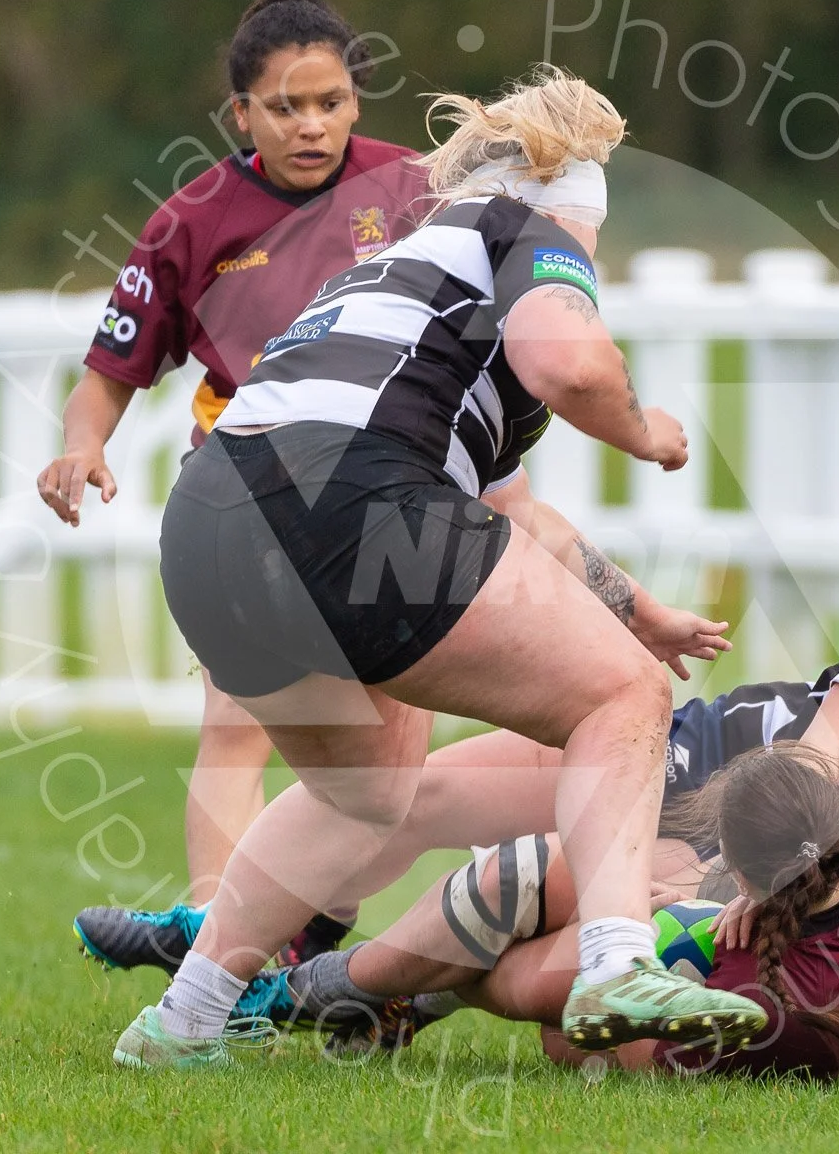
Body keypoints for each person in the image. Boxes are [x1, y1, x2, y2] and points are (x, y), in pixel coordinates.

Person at [111, 68, 767, 1071]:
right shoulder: (528, 231)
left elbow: (503, 514)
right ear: (574, 208)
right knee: (623, 698)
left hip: (206, 529)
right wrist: (646, 433)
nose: (590, 261)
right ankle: (617, 960)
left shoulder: (395, 274)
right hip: (350, 505)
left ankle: (185, 1019)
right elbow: (570, 363)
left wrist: (635, 608)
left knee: (368, 789)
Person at [80, 579, 839, 972]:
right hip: (703, 760)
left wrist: (716, 890)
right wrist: (725, 861)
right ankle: (228, 943)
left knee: (512, 911)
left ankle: (286, 974)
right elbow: (819, 765)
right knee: (406, 798)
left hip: (744, 859)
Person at [236, 603, 839, 1082]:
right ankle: (343, 983)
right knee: (568, 890)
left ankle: (312, 989)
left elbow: (529, 990)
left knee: (528, 914)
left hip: (673, 1023)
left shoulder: (739, 965)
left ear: (736, 873)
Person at [36, 0, 430, 952]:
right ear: (240, 114)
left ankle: (294, 936)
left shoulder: (416, 191)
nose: (311, 126)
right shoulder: (191, 222)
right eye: (286, 107)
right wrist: (81, 446)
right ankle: (218, 932)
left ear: (357, 101)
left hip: (393, 495)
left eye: (330, 102)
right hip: (249, 496)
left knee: (382, 779)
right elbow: (110, 366)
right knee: (236, 723)